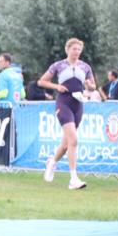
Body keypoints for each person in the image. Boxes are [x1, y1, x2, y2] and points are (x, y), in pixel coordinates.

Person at [38, 38, 96, 190]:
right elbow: (41, 82)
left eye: (79, 49)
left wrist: (90, 86)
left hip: (78, 104)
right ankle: (73, 179)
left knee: (66, 144)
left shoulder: (85, 67)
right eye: (74, 49)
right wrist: (56, 86)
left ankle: (52, 162)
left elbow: (92, 86)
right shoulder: (58, 65)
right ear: (67, 50)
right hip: (63, 103)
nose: (76, 52)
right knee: (74, 140)